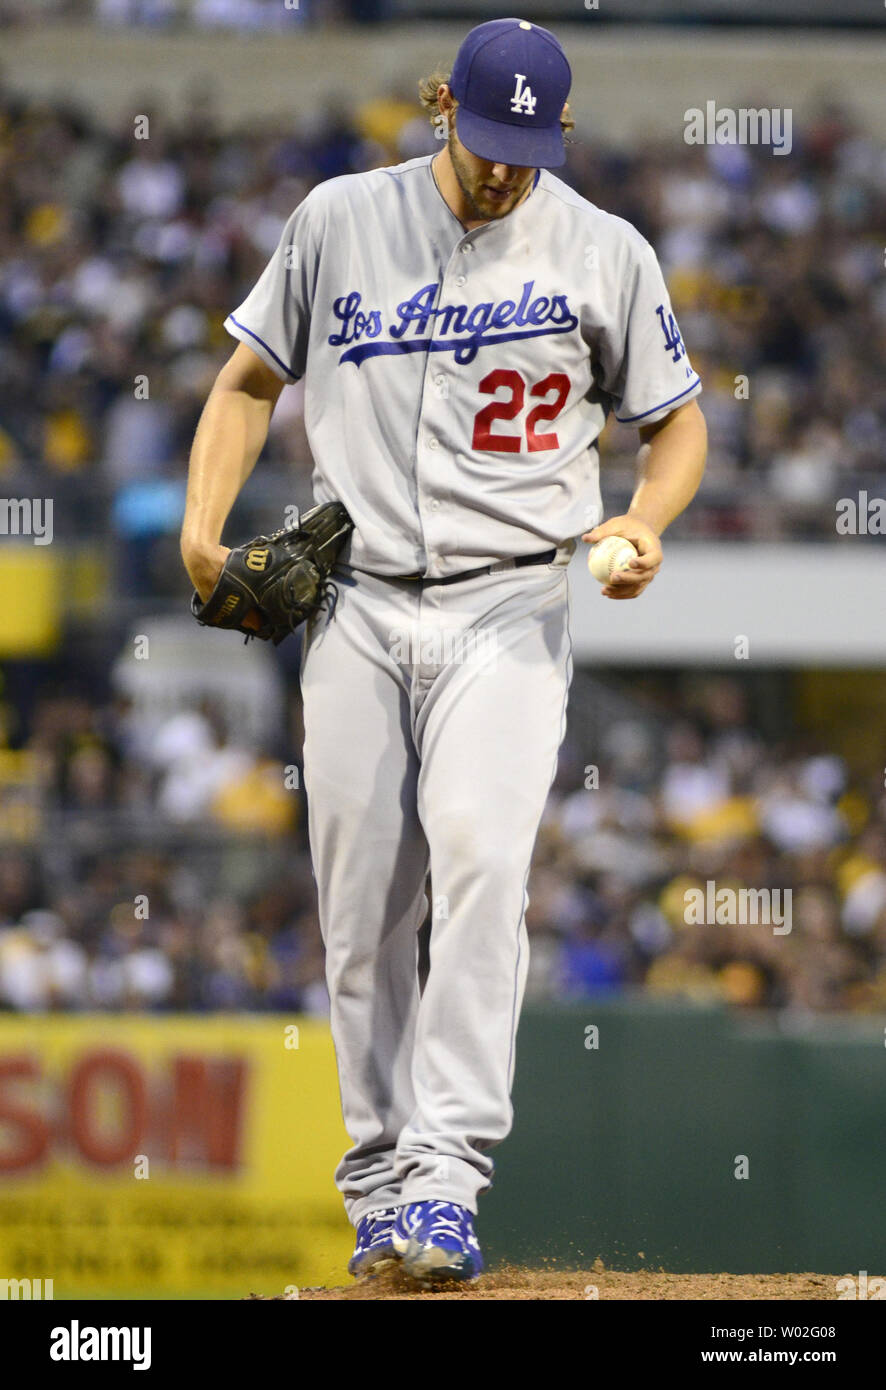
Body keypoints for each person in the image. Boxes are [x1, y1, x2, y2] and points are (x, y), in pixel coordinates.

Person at [180, 17, 707, 1284]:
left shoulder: (602, 249)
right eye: (485, 143)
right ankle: (378, 1178)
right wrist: (202, 537)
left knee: (479, 859)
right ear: (439, 111)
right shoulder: (339, 218)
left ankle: (448, 1176)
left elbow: (676, 425)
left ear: (559, 135)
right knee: (362, 909)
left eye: (529, 148)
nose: (503, 170)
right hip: (354, 601)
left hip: (509, 604)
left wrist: (641, 519)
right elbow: (248, 383)